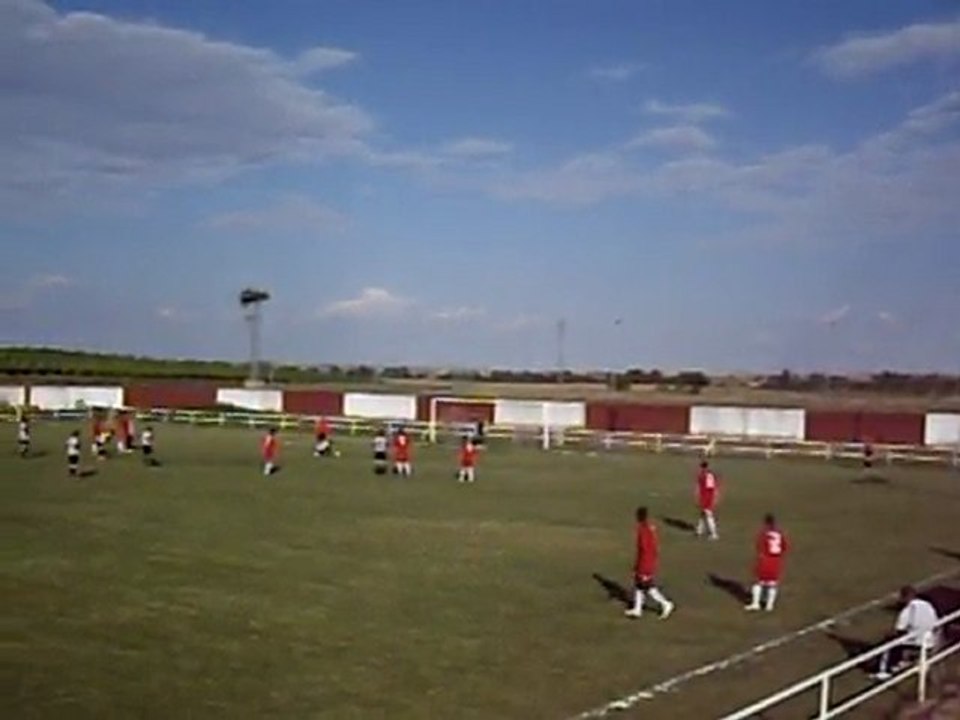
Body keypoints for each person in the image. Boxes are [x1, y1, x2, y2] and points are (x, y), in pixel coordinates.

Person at [872, 586, 941, 681]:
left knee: (889, 643)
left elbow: (899, 629)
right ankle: (903, 661)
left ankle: (883, 671)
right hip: (930, 640)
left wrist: (889, 634)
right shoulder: (927, 605)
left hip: (917, 641)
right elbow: (936, 622)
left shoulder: (907, 610)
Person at [626, 506, 675, 620]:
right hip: (650, 560)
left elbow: (644, 549)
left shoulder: (642, 530)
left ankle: (665, 604)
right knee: (639, 584)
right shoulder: (650, 527)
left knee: (646, 586)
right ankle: (637, 610)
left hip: (645, 562)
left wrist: (639, 566)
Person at [746, 514, 788, 612]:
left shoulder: (764, 534)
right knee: (772, 583)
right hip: (776, 561)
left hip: (765, 560)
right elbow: (785, 547)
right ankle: (769, 606)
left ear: (766, 523)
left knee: (758, 582)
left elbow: (759, 548)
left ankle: (756, 604)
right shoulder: (780, 534)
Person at [695, 460, 720, 540]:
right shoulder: (702, 475)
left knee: (708, 515)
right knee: (703, 514)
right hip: (704, 497)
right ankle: (699, 530)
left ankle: (714, 534)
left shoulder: (708, 476)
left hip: (707, 498)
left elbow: (711, 488)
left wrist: (712, 498)